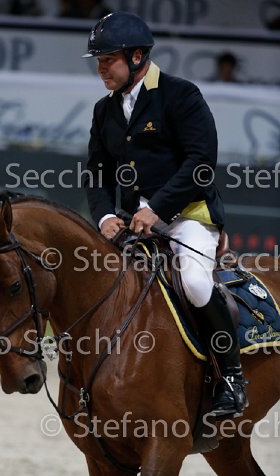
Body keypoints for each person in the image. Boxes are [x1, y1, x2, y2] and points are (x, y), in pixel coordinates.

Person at [83, 11, 248, 418]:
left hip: (188, 216)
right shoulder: (104, 111)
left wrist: (156, 209)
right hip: (132, 223)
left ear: (137, 56)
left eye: (108, 60)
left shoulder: (180, 95)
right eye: (98, 61)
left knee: (193, 281)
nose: (101, 68)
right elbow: (96, 173)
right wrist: (104, 217)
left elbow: (201, 163)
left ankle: (231, 379)